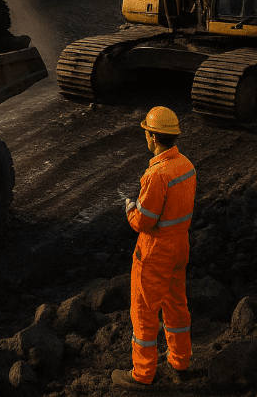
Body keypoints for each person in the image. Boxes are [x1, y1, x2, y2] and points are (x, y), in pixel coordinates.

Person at [112, 106, 197, 390]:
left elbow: (144, 222)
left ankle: (142, 375)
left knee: (144, 313)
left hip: (155, 252)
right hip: (179, 247)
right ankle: (180, 360)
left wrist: (130, 209)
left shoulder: (157, 175)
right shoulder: (186, 165)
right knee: (176, 305)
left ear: (152, 136)